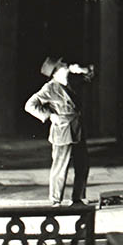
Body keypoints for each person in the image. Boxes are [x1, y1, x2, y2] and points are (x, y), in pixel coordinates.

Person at [24, 56, 95, 206]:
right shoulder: (50, 88)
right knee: (60, 167)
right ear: (55, 73)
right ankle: (56, 200)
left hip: (77, 129)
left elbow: (90, 76)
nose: (66, 69)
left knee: (83, 165)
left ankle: (78, 198)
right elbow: (30, 105)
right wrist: (50, 115)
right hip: (62, 131)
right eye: (63, 67)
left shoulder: (72, 83)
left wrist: (83, 70)